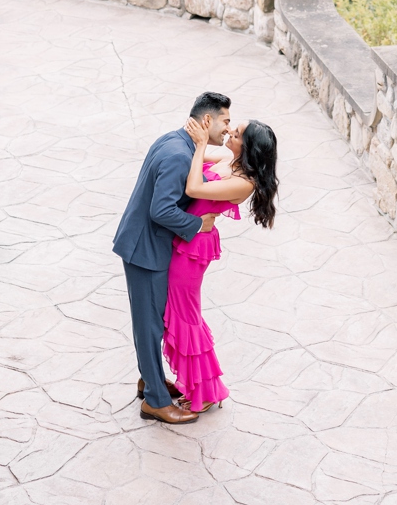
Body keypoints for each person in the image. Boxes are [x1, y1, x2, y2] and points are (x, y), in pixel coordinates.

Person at [113, 92, 230, 424]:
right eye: (225, 121)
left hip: (141, 242)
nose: (226, 128)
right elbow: (161, 209)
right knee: (150, 327)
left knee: (152, 322)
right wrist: (199, 223)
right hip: (146, 250)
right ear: (207, 121)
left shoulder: (174, 140)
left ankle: (149, 380)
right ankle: (154, 401)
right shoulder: (180, 156)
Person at [164, 116, 281, 413]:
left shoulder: (242, 183)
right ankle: (193, 382)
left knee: (185, 316)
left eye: (237, 132)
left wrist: (202, 144)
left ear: (248, 146)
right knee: (182, 312)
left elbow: (194, 189)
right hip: (189, 235)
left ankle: (202, 392)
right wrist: (203, 136)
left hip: (193, 248)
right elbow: (193, 153)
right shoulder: (229, 160)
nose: (230, 131)